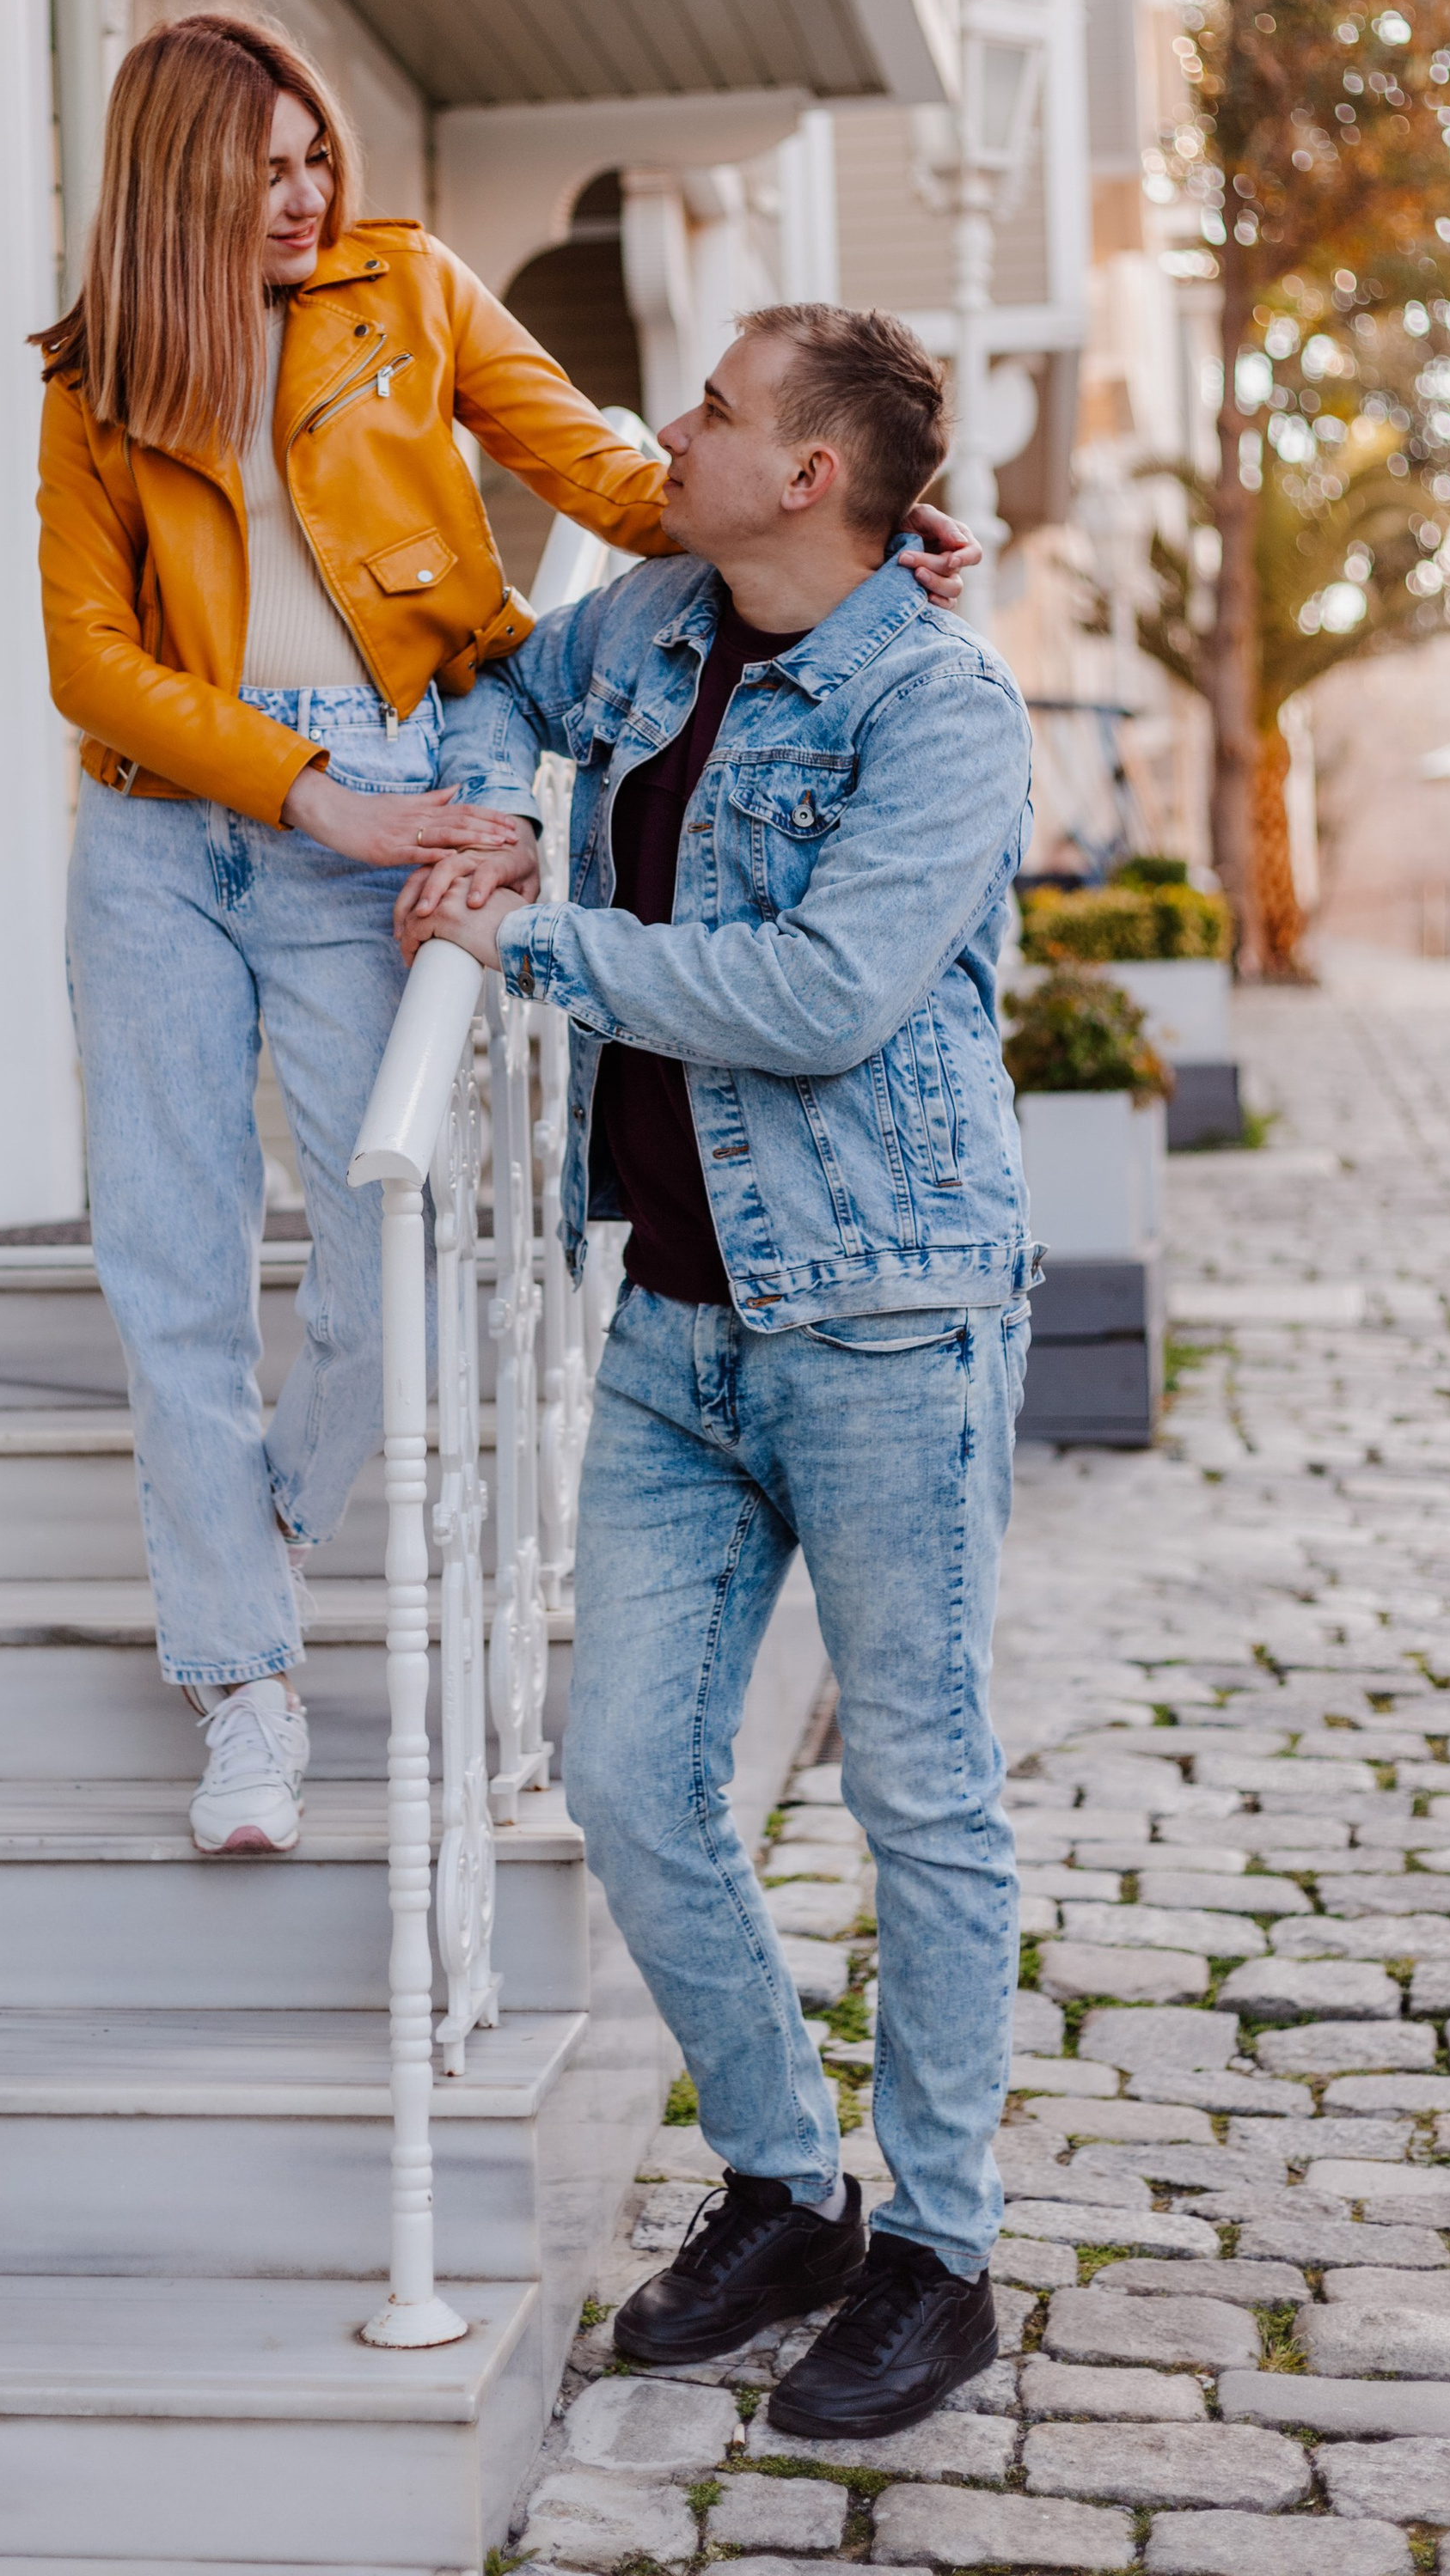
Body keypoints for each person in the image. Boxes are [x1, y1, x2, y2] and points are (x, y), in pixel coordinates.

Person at [35, 14, 976, 1862]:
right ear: (176, 183)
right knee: (166, 1255)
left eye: (318, 159)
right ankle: (245, 1683)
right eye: (263, 171)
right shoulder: (97, 373)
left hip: (385, 782)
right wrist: (312, 798)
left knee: (396, 1239)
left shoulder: (415, 291)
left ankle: (270, 1502)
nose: (305, 198)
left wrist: (861, 522)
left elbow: (616, 480)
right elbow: (94, 660)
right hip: (167, 832)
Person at [399, 302, 1033, 2441]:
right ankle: (785, 2185)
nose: (658, 433)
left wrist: (529, 937)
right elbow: (500, 681)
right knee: (623, 1779)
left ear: (813, 479)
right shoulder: (660, 618)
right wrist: (491, 820)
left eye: (710, 410)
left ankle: (938, 2253)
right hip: (673, 1320)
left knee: (918, 1793)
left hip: (883, 1311)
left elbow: (828, 988)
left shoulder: (939, 701)